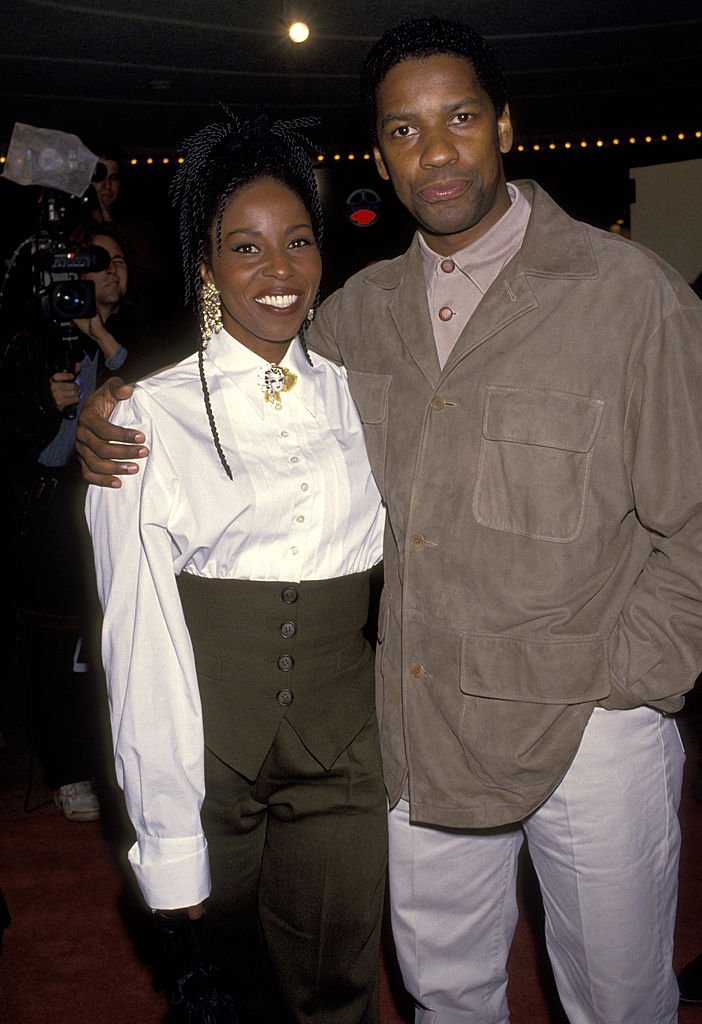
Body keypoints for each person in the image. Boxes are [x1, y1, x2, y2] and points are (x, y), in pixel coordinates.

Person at [76, 17, 702, 1024]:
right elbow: (245, 374)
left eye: (458, 118)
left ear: (505, 124)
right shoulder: (356, 317)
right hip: (416, 733)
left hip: (591, 727)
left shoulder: (631, 297)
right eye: (404, 132)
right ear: (379, 156)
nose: (436, 150)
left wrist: (629, 681)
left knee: (620, 1004)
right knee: (446, 998)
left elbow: (698, 521)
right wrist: (112, 409)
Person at [84, 114, 387, 1024]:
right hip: (208, 757)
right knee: (228, 992)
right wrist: (169, 836)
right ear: (207, 266)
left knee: (338, 986)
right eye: (245, 248)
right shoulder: (147, 417)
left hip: (345, 753)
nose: (279, 271)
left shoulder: (367, 393)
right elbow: (136, 636)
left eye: (297, 242)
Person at [11, 222, 140, 822]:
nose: (112, 271)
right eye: (99, 261)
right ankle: (66, 770)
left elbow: (148, 388)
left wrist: (104, 338)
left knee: (108, 641)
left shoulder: (126, 336)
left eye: (118, 261)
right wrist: (45, 404)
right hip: (43, 512)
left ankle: (111, 759)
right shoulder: (32, 340)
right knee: (58, 645)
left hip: (101, 507)